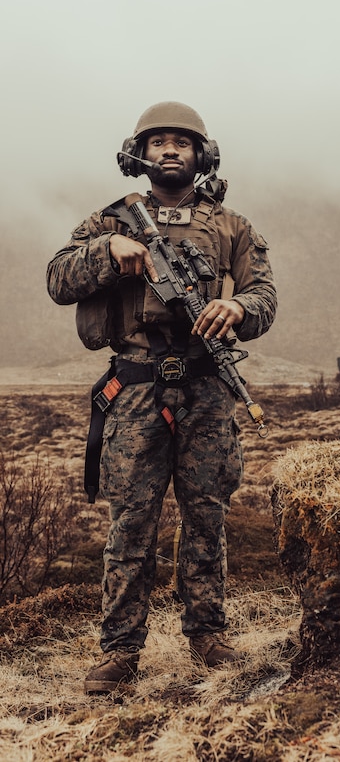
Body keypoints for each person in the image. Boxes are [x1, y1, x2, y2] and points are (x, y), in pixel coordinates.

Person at [46, 101, 277, 694]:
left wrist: (239, 307)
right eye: (158, 142)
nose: (170, 150)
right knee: (132, 523)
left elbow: (264, 295)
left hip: (207, 387)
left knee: (207, 517)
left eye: (182, 141)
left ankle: (208, 635)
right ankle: (122, 649)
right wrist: (109, 254)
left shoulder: (232, 226)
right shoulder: (110, 220)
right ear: (139, 155)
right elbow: (57, 278)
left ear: (202, 155)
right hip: (137, 388)